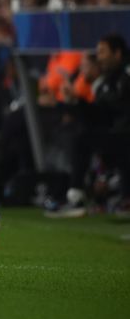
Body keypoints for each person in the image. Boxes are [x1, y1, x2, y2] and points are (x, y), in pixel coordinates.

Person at [46, 34, 130, 218]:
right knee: (82, 136)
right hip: (118, 136)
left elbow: (116, 109)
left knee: (84, 138)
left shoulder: (125, 77)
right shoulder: (105, 83)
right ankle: (92, 195)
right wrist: (72, 102)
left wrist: (79, 102)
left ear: (117, 53)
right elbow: (99, 115)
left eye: (102, 52)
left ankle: (78, 197)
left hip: (125, 135)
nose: (99, 57)